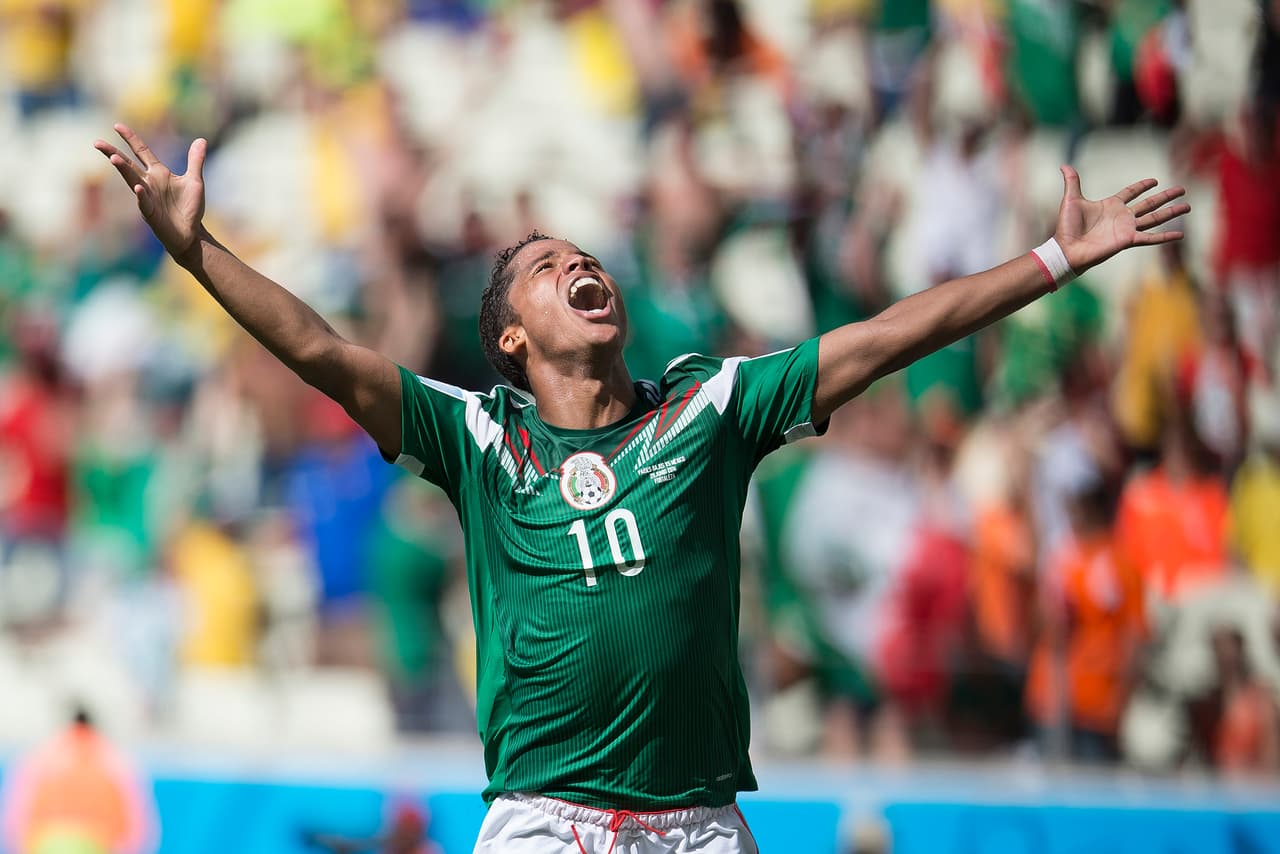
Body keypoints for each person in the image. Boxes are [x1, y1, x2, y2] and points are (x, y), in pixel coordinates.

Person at [93, 122, 1188, 853]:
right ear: (513, 336)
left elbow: (888, 334)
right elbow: (326, 353)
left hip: (695, 821)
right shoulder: (476, 436)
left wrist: (1049, 260)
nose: (581, 266)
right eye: (543, 265)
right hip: (541, 818)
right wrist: (202, 256)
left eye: (585, 255)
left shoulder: (707, 412)